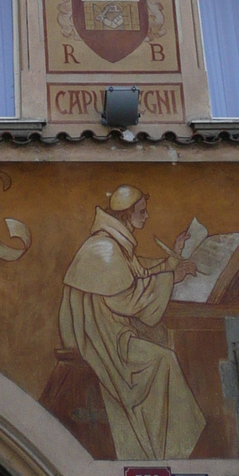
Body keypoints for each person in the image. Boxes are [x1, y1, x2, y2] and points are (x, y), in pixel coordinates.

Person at [59, 185, 206, 460]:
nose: (147, 216)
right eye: (141, 211)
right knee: (165, 360)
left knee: (163, 346)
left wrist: (172, 259)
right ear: (126, 215)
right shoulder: (102, 248)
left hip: (114, 332)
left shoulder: (116, 244)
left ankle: (166, 448)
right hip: (103, 339)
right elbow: (128, 299)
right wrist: (171, 278)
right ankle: (169, 452)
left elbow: (138, 272)